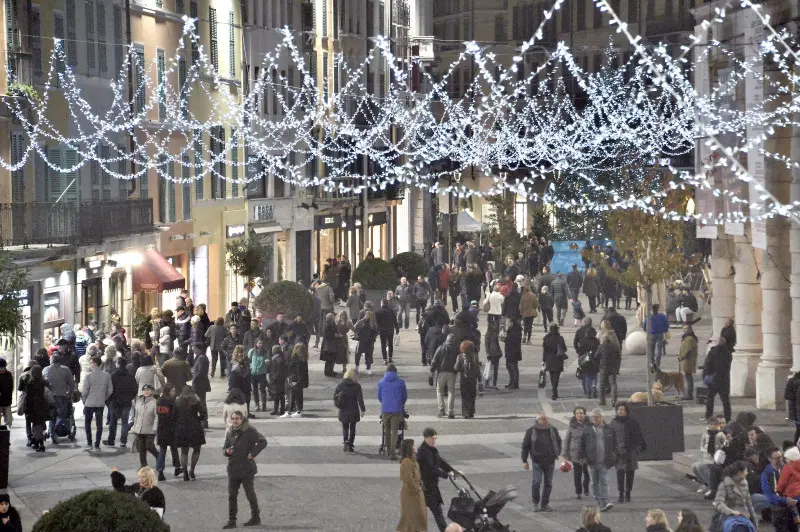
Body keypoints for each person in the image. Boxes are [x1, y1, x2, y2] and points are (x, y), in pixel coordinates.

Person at [223, 410, 268, 529]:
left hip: (246, 468)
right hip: (233, 468)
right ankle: (232, 520)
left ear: (242, 419)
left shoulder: (250, 431)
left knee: (249, 493)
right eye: (233, 418)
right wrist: (226, 451)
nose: (235, 421)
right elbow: (225, 446)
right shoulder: (230, 431)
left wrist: (252, 453)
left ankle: (255, 517)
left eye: (237, 418)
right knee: (232, 495)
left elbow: (263, 442)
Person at [417, 428, 460, 532]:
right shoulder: (422, 452)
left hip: (430, 487)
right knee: (435, 512)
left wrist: (454, 471)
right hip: (425, 488)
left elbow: (441, 462)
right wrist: (446, 475)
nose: (434, 441)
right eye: (432, 438)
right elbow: (432, 469)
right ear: (426, 438)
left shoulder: (432, 450)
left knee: (436, 512)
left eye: (435, 438)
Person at [521, 413, 562, 512]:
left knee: (548, 483)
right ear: (537, 420)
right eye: (542, 419)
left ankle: (545, 504)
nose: (544, 421)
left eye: (545, 419)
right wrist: (524, 460)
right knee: (537, 482)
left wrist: (557, 452)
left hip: (550, 460)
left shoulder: (553, 429)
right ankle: (535, 503)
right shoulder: (531, 431)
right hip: (537, 461)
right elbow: (525, 446)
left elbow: (558, 441)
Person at [581, 408, 616, 512]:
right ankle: (599, 500)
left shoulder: (609, 429)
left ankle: (606, 501)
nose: (594, 419)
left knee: (604, 481)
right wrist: (583, 457)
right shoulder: (587, 429)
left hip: (604, 460)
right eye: (593, 417)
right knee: (594, 482)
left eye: (597, 417)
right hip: (592, 461)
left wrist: (614, 454)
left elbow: (615, 443)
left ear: (602, 418)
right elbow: (582, 444)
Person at [611, 402, 645, 503]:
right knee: (620, 473)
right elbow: (610, 438)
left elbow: (638, 436)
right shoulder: (613, 423)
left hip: (631, 451)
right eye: (618, 410)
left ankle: (628, 493)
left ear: (626, 411)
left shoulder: (633, 422)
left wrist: (637, 449)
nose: (619, 411)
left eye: (621, 410)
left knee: (630, 472)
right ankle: (621, 493)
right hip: (619, 452)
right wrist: (613, 450)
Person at [174, 384, 206, 481]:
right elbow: (203, 413)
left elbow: (174, 415)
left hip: (182, 428)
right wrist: (198, 419)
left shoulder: (177, 401)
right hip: (195, 428)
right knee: (196, 450)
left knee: (184, 452)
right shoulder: (195, 401)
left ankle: (185, 473)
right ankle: (192, 470)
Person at [103, 358, 137, 448]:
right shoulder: (130, 376)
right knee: (124, 423)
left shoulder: (113, 375)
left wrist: (109, 400)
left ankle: (111, 440)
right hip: (126, 402)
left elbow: (109, 389)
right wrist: (130, 397)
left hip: (115, 402)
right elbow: (135, 389)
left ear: (118, 364)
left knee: (113, 423)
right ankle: (123, 441)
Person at [713, 461, 757, 531]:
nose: (747, 473)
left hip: (743, 516)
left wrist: (755, 524)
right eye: (745, 471)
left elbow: (749, 505)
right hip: (727, 516)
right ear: (740, 473)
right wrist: (731, 512)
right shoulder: (724, 484)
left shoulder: (745, 484)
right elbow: (719, 503)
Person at [82, 355, 113, 451]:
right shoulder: (107, 375)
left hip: (89, 402)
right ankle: (97, 444)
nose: (90, 364)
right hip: (100, 403)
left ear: (95, 363)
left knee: (87, 423)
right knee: (99, 424)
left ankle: (89, 443)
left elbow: (84, 392)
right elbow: (110, 390)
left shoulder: (88, 376)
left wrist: (84, 400)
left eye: (91, 362)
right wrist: (104, 398)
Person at [42, 353, 74, 445]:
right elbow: (71, 384)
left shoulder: (45, 370)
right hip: (62, 396)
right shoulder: (66, 370)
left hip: (49, 397)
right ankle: (54, 432)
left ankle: (51, 431)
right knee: (61, 415)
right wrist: (70, 393)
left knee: (52, 416)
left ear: (51, 360)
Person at [378, 364, 408, 460]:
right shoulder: (401, 382)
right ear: (396, 372)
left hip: (385, 410)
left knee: (387, 430)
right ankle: (392, 452)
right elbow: (404, 396)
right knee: (394, 431)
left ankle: (387, 449)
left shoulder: (381, 382)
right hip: (396, 410)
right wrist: (401, 404)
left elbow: (379, 396)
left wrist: (384, 403)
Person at [397, 438, 428, 532]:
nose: (415, 447)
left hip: (417, 493)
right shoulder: (406, 462)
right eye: (413, 445)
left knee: (419, 517)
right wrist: (417, 488)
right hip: (411, 494)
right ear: (409, 448)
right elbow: (408, 479)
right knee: (411, 519)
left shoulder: (413, 460)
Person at [334, 367, 366, 453]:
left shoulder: (340, 385)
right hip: (353, 410)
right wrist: (363, 410)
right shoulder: (357, 386)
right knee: (352, 427)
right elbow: (360, 399)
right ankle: (351, 444)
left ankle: (345, 441)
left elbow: (335, 397)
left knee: (345, 427)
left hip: (343, 409)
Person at [155, 383, 181, 481]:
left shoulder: (159, 401)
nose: (174, 392)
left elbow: (159, 413)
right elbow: (175, 415)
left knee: (162, 450)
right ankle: (177, 467)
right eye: (172, 390)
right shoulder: (173, 401)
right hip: (172, 429)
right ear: (168, 391)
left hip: (162, 429)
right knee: (174, 449)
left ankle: (160, 471)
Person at [703, 336, 733, 422]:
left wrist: (705, 375)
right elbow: (727, 367)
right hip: (724, 380)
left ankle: (708, 416)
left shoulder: (712, 352)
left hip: (713, 380)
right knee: (725, 400)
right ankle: (727, 417)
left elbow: (707, 365)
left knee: (710, 399)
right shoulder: (728, 353)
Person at [430, 333, 459, 419]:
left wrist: (432, 371)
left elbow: (434, 360)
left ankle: (441, 410)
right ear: (453, 340)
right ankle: (450, 412)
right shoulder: (456, 349)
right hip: (452, 373)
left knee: (439, 391)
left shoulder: (441, 348)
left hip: (441, 372)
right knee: (451, 392)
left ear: (446, 340)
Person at [564, 406, 590, 499]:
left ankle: (586, 488)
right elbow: (567, 439)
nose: (579, 415)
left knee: (586, 472)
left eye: (581, 413)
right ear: (575, 415)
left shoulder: (589, 424)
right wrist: (565, 453)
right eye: (577, 413)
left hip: (586, 452)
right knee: (577, 473)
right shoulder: (572, 425)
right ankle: (578, 491)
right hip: (575, 452)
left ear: (584, 414)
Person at [24, 365, 51, 452]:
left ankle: (40, 445)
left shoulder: (30, 383)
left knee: (36, 426)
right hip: (42, 405)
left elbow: (28, 397)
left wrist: (27, 408)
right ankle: (38, 443)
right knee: (40, 424)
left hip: (33, 407)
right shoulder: (44, 382)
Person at [454, 340, 480, 419]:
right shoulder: (475, 356)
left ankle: (465, 412)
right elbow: (477, 369)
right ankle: (471, 412)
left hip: (464, 379)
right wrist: (479, 378)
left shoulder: (460, 356)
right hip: (473, 379)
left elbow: (456, 368)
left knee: (464, 396)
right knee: (472, 395)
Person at [597, 322, 621, 407]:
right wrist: (618, 367)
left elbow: (596, 355)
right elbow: (619, 356)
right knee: (613, 383)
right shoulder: (614, 345)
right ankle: (614, 400)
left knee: (602, 384)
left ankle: (602, 401)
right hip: (613, 366)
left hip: (603, 367)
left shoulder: (601, 346)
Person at [542, 324, 567, 401]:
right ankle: (555, 391)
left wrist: (543, 360)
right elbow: (564, 349)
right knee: (557, 376)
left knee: (552, 376)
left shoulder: (546, 338)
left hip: (549, 359)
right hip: (558, 359)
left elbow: (544, 350)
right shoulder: (560, 338)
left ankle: (554, 391)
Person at [228, 347, 253, 417]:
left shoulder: (237, 359)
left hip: (240, 381)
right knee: (243, 397)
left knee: (244, 397)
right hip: (240, 381)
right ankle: (243, 412)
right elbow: (244, 371)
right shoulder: (237, 360)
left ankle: (244, 412)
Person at [247, 338, 269, 413]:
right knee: (255, 390)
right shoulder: (252, 351)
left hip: (262, 373)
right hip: (253, 373)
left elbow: (268, 360)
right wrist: (250, 367)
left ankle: (264, 405)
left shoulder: (265, 352)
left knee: (262, 389)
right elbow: (248, 360)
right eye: (259, 343)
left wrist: (267, 362)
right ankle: (257, 405)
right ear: (256, 344)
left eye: (261, 343)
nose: (260, 345)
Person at [355, 310, 379, 375]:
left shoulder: (361, 322)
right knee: (367, 355)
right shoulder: (372, 324)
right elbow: (376, 332)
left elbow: (356, 329)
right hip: (367, 342)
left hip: (363, 341)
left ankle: (358, 367)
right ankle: (367, 368)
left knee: (359, 355)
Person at [376, 299, 399, 365]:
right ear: (387, 304)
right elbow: (395, 321)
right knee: (390, 344)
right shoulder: (391, 311)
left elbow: (377, 323)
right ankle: (390, 358)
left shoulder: (378, 312)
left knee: (383, 345)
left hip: (382, 330)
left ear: (382, 304)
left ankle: (385, 359)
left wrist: (377, 331)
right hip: (390, 330)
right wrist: (397, 329)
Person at [679, 324, 699, 401]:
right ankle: (689, 394)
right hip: (687, 360)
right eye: (684, 328)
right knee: (688, 377)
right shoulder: (687, 337)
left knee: (688, 377)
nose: (685, 330)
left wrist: (681, 357)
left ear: (690, 329)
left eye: (686, 328)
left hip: (688, 361)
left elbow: (687, 350)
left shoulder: (690, 339)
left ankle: (689, 394)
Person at [504, 318, 523, 390]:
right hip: (510, 351)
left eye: (507, 322)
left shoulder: (515, 331)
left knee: (513, 367)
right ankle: (512, 382)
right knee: (509, 367)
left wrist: (505, 339)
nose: (506, 324)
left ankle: (515, 383)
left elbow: (512, 341)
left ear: (512, 323)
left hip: (513, 351)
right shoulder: (511, 330)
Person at [484, 320, 503, 390]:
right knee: (489, 369)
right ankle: (486, 382)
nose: (495, 326)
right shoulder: (488, 334)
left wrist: (499, 351)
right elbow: (486, 344)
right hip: (491, 354)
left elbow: (497, 344)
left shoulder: (495, 333)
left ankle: (494, 384)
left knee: (495, 370)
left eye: (495, 325)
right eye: (494, 325)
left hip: (496, 354)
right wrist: (488, 353)